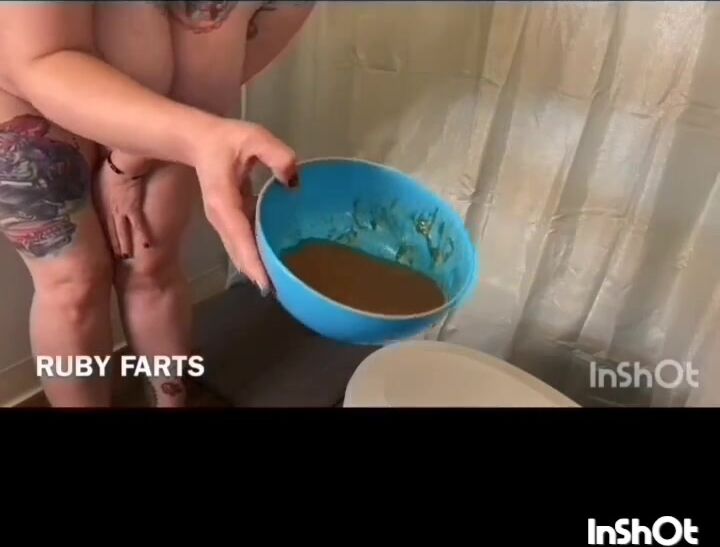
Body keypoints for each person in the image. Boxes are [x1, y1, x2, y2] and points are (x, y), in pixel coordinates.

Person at [0, 1, 315, 407]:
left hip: (164, 97)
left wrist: (128, 165)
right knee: (73, 282)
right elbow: (38, 58)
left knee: (151, 263)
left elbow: (211, 70)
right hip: (27, 91)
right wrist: (197, 138)